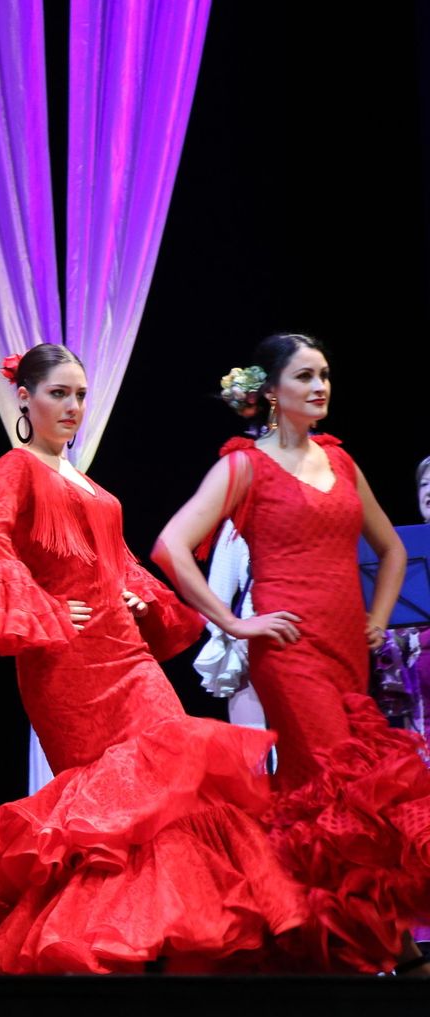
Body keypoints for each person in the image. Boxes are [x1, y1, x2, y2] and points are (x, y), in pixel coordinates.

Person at [0, 342, 306, 974]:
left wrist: (137, 594)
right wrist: (42, 609)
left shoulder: (82, 478)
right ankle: (111, 949)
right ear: (24, 397)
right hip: (68, 667)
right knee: (108, 811)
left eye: (80, 394)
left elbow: (114, 559)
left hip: (126, 652)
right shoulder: (16, 467)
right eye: (59, 393)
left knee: (177, 781)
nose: (73, 407)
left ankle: (178, 942)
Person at [153, 334, 430, 974]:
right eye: (305, 376)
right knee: (345, 786)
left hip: (346, 650)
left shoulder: (342, 462)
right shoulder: (244, 467)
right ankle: (394, 945)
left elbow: (390, 549)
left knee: (327, 790)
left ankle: (316, 938)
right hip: (290, 651)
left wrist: (378, 621)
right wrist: (232, 623)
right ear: (271, 393)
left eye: (325, 375)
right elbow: (171, 545)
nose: (320, 387)